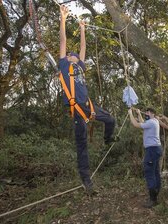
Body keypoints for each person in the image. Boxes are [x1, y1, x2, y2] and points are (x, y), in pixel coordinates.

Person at [59, 5, 116, 193]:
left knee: (111, 119)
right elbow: (63, 40)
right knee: (82, 144)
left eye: (72, 55)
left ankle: (108, 139)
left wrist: (83, 28)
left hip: (89, 105)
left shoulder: (81, 67)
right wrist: (63, 18)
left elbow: (83, 47)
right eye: (68, 54)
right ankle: (86, 180)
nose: (70, 55)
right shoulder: (64, 66)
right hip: (77, 109)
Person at [128, 108, 162, 208]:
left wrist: (130, 114)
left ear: (152, 113)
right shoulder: (154, 121)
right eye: (145, 112)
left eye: (147, 112)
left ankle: (153, 200)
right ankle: (156, 194)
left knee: (149, 173)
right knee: (155, 172)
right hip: (156, 149)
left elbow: (136, 125)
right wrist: (139, 114)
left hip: (152, 150)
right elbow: (143, 123)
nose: (146, 114)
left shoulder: (152, 122)